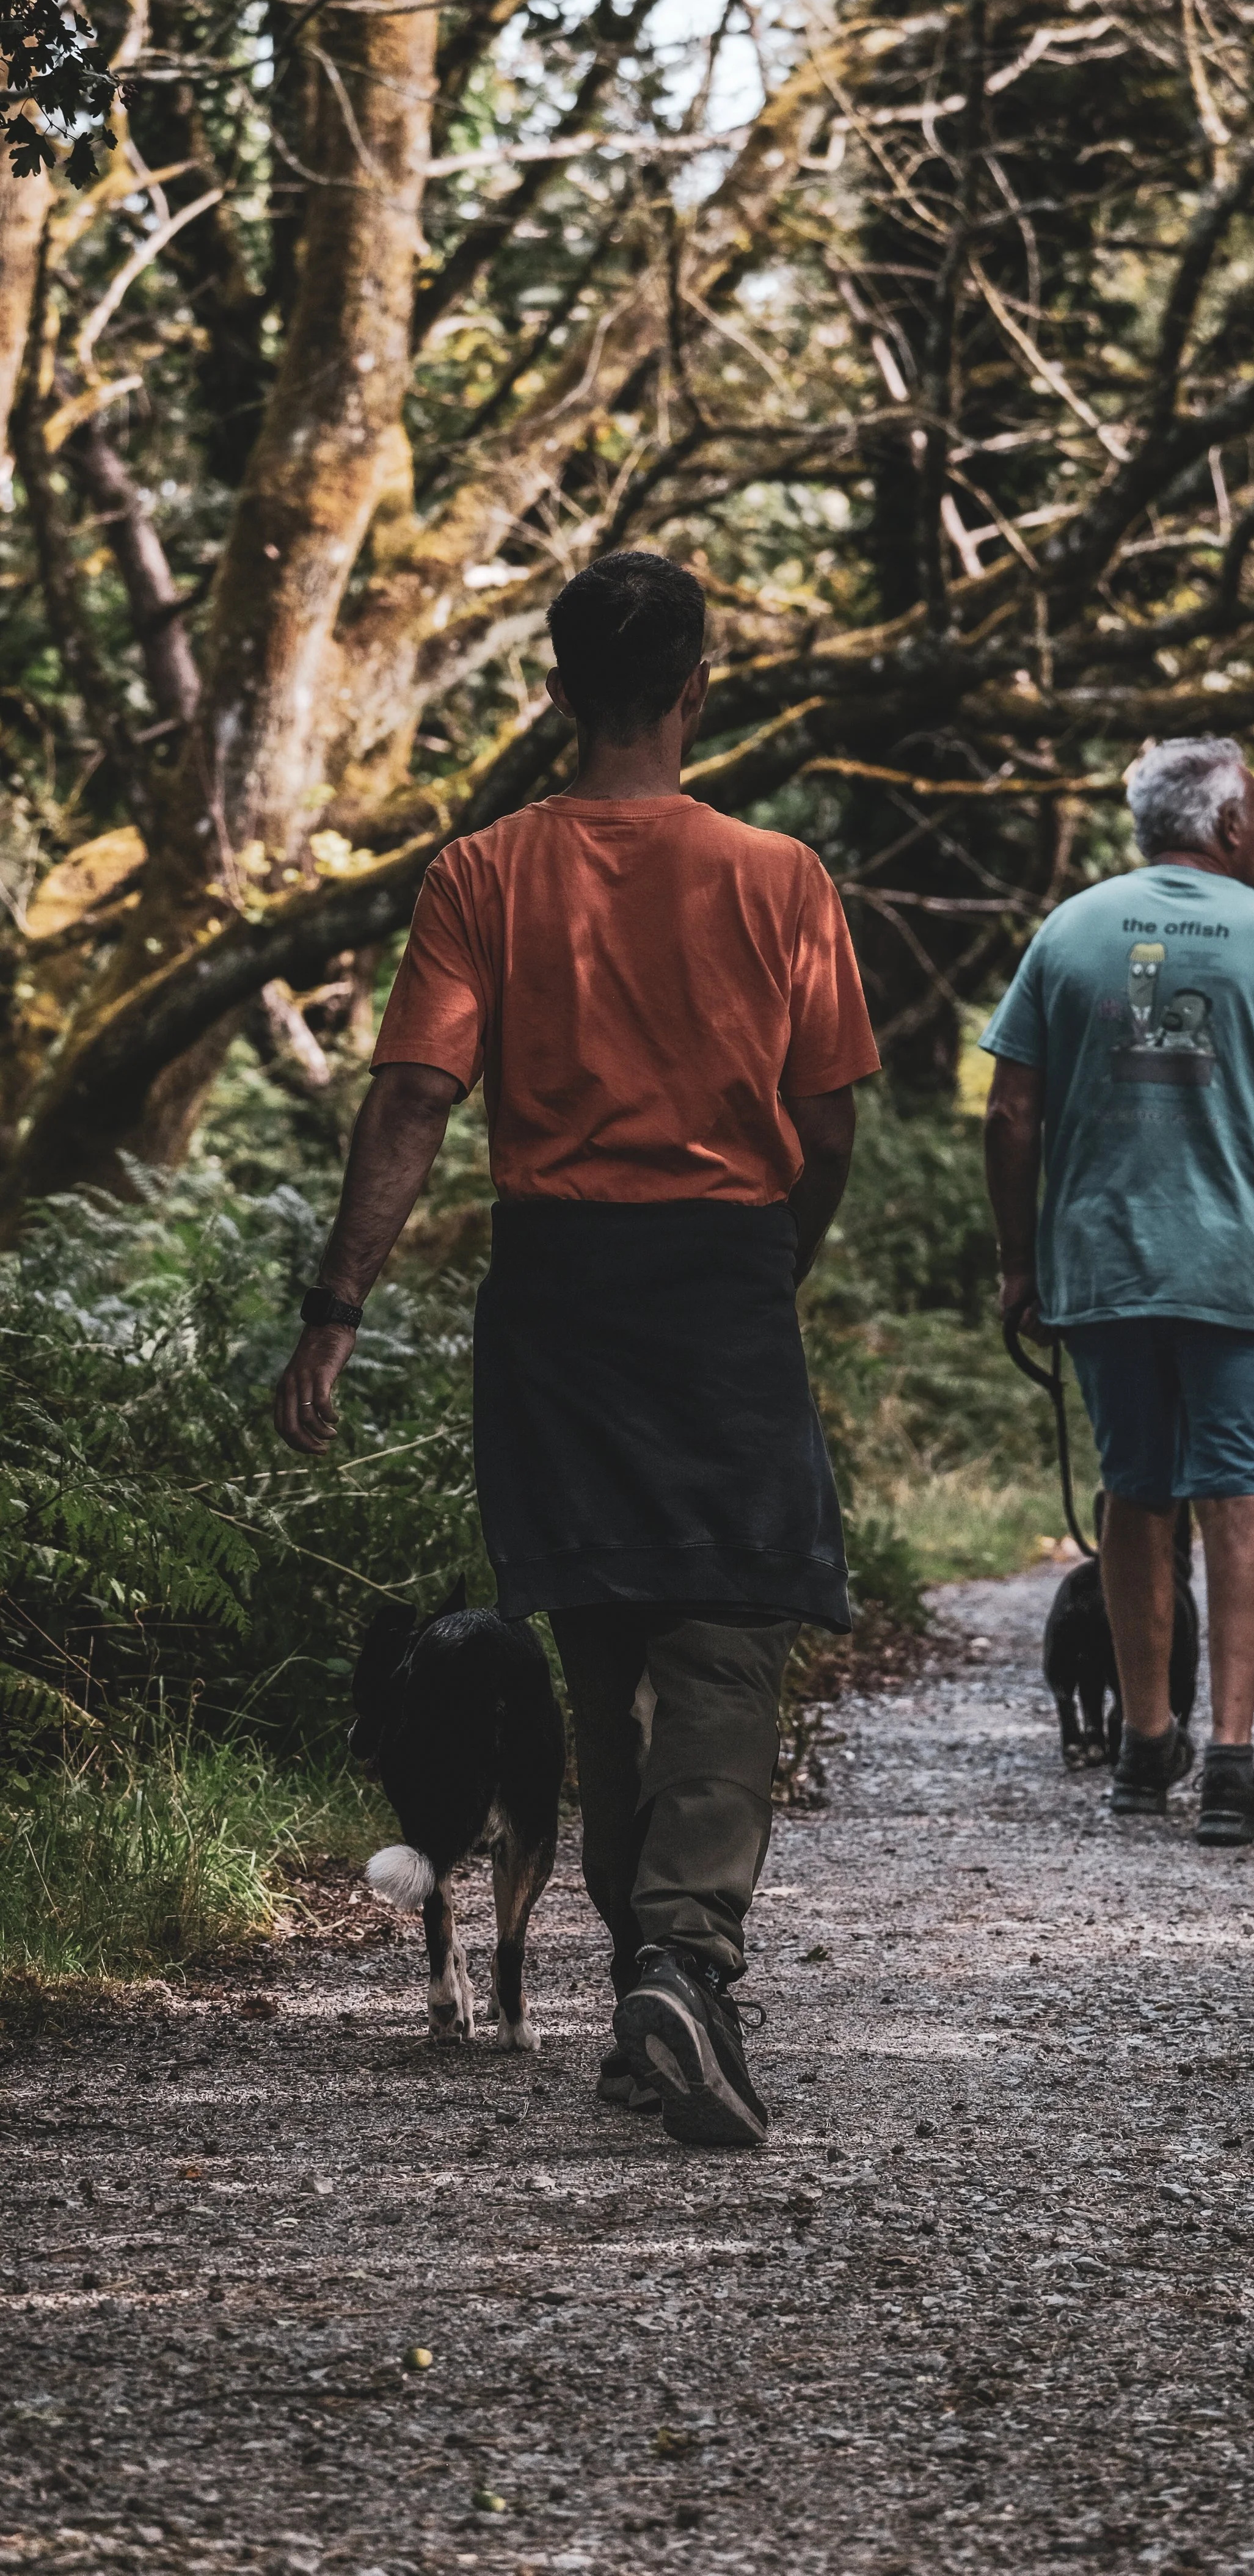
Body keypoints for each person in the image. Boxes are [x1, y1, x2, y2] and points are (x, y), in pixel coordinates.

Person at [272, 551, 880, 2145]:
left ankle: (644, 1996)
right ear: (695, 689)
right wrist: (772, 1264)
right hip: (720, 1283)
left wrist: (334, 1312)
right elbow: (824, 1127)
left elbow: (412, 1099)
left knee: (604, 1652)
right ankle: (682, 1961)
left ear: (555, 694)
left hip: (553, 1294)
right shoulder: (779, 878)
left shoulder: (483, 874)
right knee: (728, 1640)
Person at [980, 735, 1254, 1844]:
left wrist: (1020, 1262)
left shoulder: (1069, 931)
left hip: (1107, 1268)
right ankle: (1231, 1766)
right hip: (1250, 1272)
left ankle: (1143, 1749)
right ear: (1228, 825)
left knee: (1134, 1491)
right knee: (1237, 1498)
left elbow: (1011, 1111)